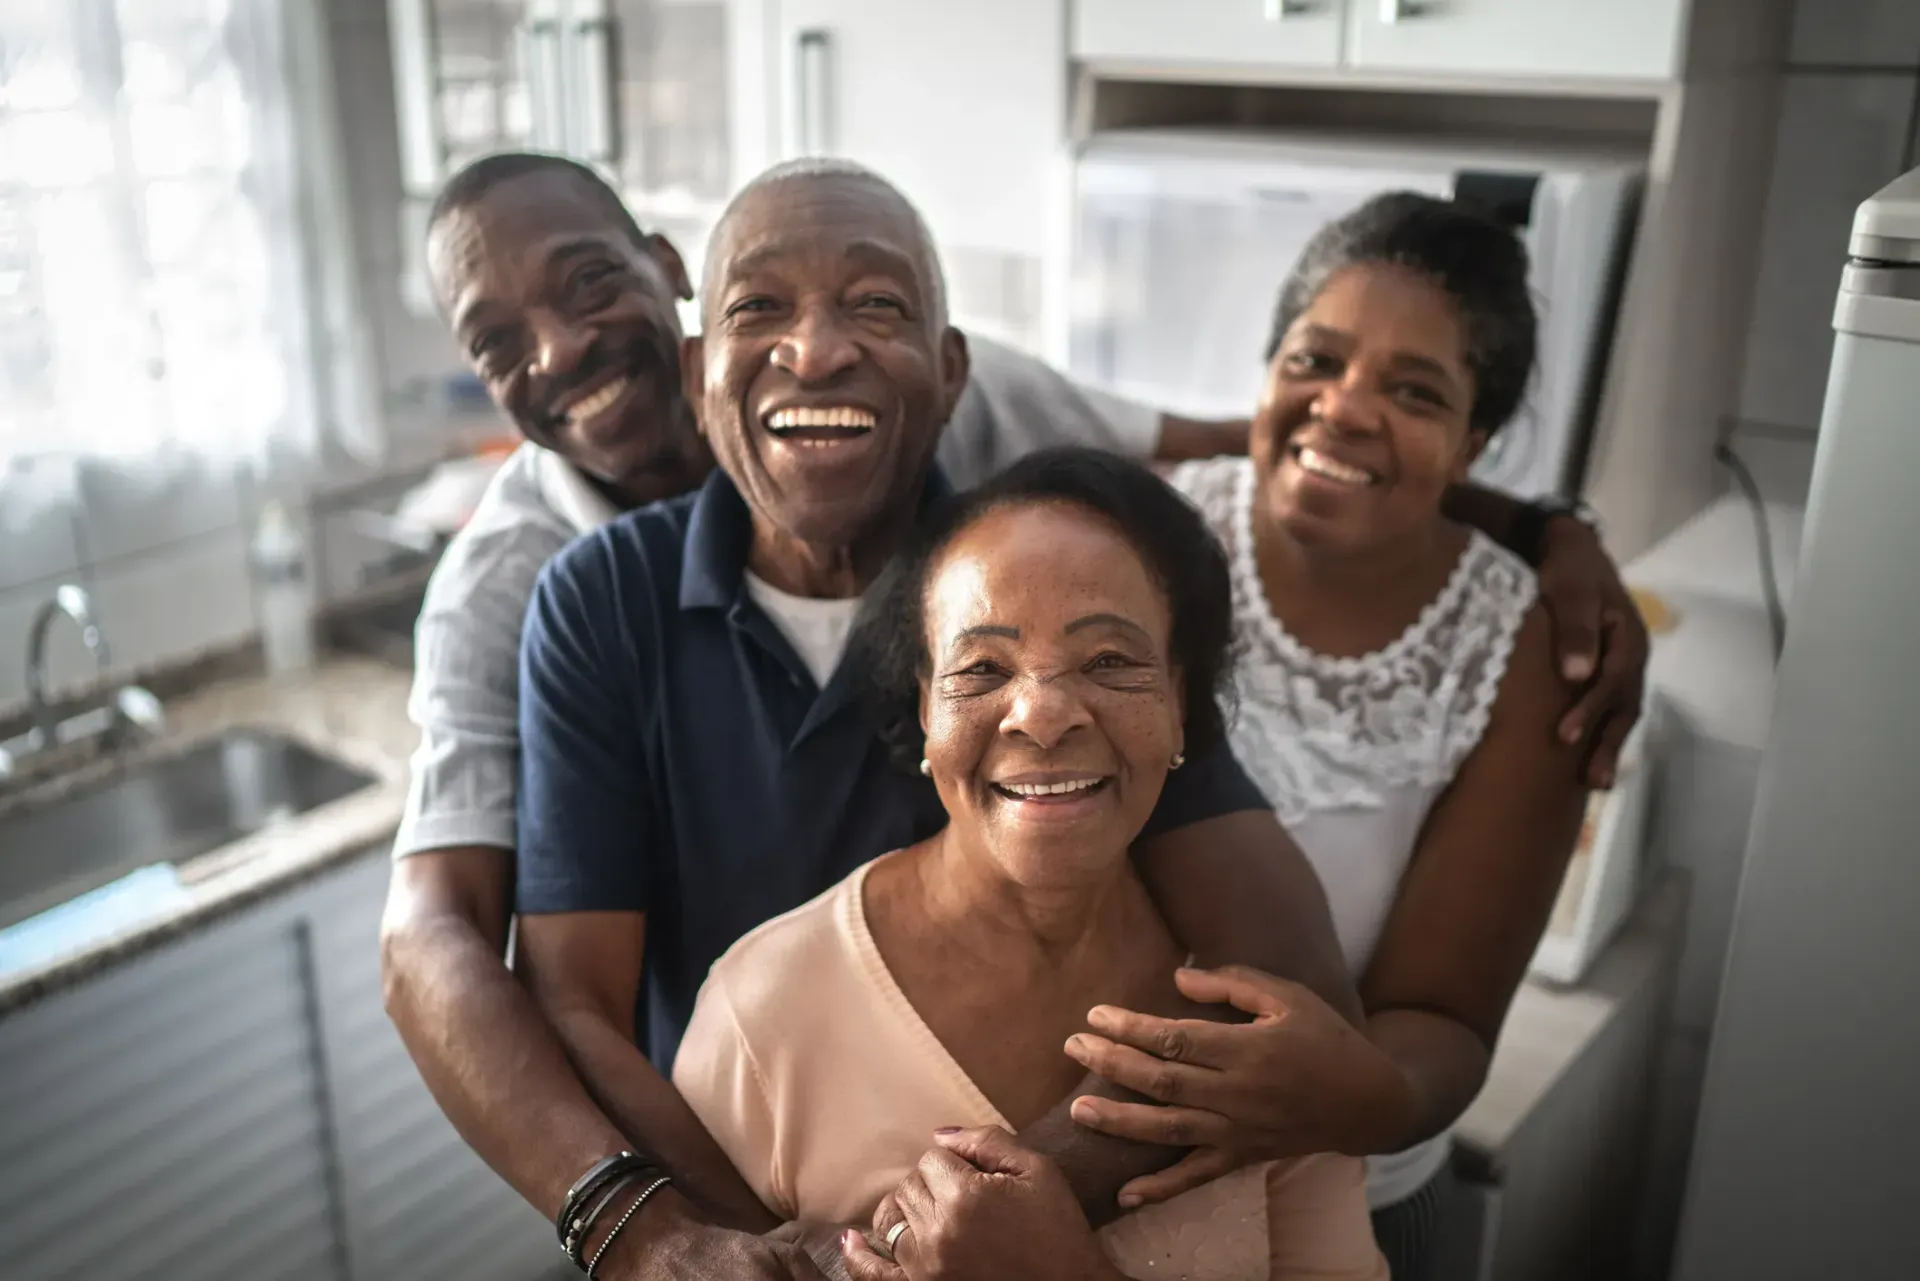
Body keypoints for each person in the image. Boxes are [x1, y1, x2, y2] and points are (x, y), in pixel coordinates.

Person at [377, 152, 1644, 1273]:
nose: (816, 348)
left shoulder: (1035, 557)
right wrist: (720, 1242)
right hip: (724, 1196)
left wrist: (1544, 530)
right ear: (705, 367)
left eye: (875, 305)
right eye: (762, 306)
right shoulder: (572, 595)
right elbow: (548, 991)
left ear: (954, 374)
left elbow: (1291, 446)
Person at [671, 447, 1388, 1281]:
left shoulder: (1259, 1031)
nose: (1043, 716)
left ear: (1181, 702)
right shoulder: (761, 1015)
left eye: (1110, 661)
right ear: (923, 707)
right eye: (982, 668)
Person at [1052, 193, 1593, 1281]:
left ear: (1473, 443)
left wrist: (1347, 1094)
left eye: (1413, 390)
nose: (1342, 410)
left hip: (1354, 1200)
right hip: (1083, 1178)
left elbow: (1443, 1019)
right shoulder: (1142, 539)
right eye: (1316, 360)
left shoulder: (1524, 646)